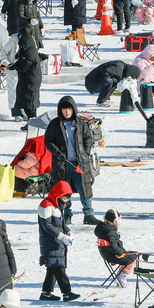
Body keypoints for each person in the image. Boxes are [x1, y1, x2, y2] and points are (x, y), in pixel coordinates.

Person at [44, 96, 102, 224]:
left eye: (69, 109)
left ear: (73, 109)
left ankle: (88, 214)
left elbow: (88, 139)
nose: (67, 112)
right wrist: (57, 152)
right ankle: (67, 214)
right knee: (64, 189)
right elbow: (48, 141)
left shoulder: (80, 123)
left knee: (84, 188)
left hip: (80, 163)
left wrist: (85, 154)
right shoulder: (55, 124)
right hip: (62, 164)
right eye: (64, 109)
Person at [37, 180, 78, 302]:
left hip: (57, 242)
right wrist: (61, 236)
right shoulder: (46, 205)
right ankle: (67, 292)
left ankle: (46, 293)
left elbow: (61, 223)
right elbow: (47, 226)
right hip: (50, 242)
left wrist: (68, 231)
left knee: (52, 268)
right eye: (65, 197)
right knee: (59, 268)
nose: (66, 200)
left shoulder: (57, 205)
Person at [95, 210, 137, 286]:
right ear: (115, 221)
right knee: (133, 259)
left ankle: (120, 274)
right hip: (112, 256)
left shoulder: (105, 229)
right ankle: (121, 276)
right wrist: (121, 253)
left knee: (134, 254)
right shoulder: (110, 232)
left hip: (108, 254)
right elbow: (113, 246)